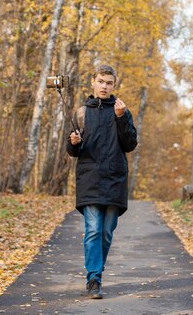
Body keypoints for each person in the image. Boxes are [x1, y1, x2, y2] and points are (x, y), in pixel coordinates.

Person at [66, 64, 138, 299]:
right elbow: (73, 150)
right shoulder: (81, 113)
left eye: (109, 83)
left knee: (106, 233)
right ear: (93, 82)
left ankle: (97, 273)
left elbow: (130, 144)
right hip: (90, 178)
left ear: (113, 85)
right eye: (100, 81)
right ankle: (94, 279)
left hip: (115, 178)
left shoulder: (122, 111)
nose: (104, 86)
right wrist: (74, 142)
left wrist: (121, 119)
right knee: (93, 231)